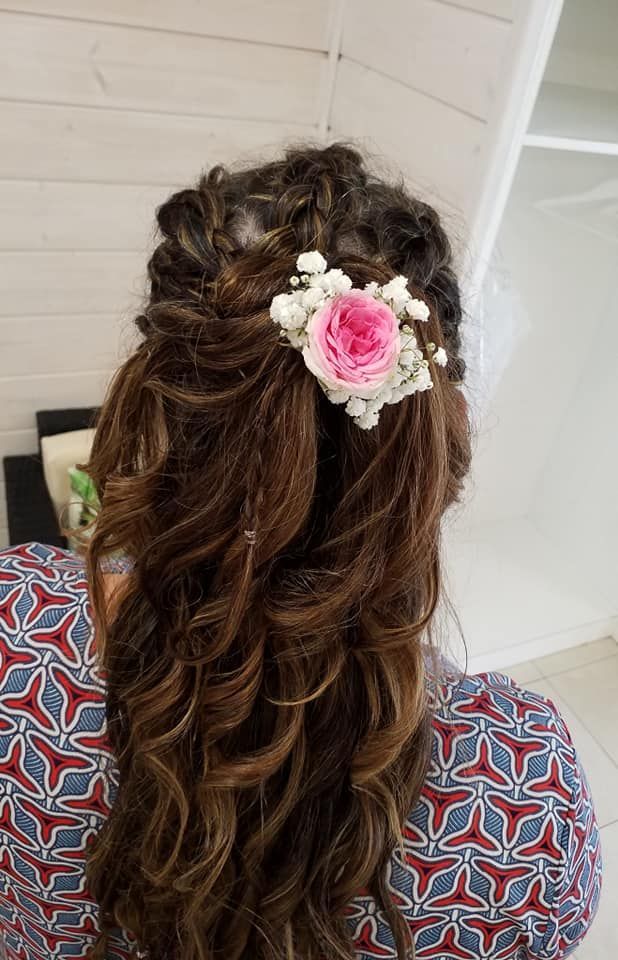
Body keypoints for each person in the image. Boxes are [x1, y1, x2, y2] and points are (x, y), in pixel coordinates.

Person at [0, 144, 601, 960]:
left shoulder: (16, 643)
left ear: (147, 411)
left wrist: (113, 564)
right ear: (433, 447)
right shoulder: (524, 805)